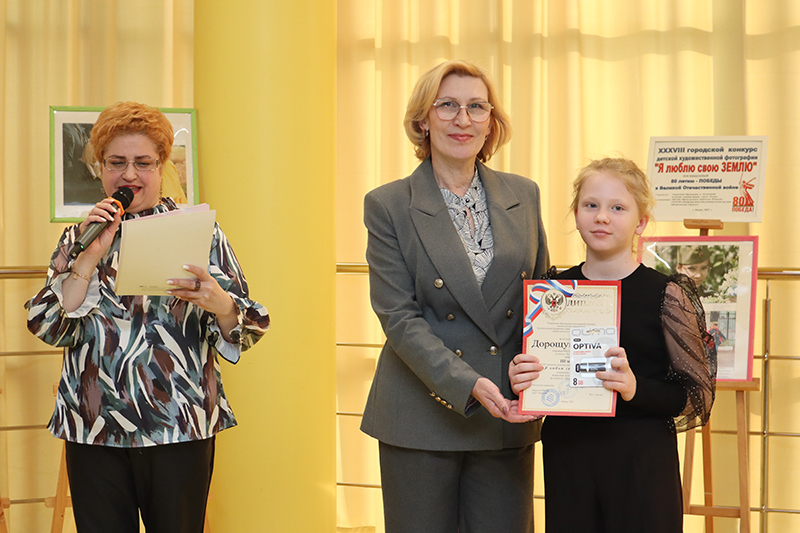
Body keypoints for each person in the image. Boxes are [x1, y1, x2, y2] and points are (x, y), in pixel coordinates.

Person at [25, 102, 270, 533]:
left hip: (179, 423)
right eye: (117, 162)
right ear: (101, 168)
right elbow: (48, 325)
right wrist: (87, 260)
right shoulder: (78, 236)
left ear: (162, 166)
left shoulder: (199, 231)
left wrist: (219, 302)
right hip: (94, 426)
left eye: (143, 163)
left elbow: (246, 326)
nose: (130, 175)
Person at [360, 59, 550, 533]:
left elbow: (542, 298)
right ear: (423, 120)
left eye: (476, 107)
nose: (462, 119)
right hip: (420, 415)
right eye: (447, 106)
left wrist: (543, 377)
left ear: (491, 122)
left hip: (506, 411)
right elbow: (398, 317)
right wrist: (467, 383)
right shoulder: (388, 204)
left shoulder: (525, 195)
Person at [509, 158, 716, 533]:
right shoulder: (550, 292)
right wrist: (520, 378)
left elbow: (695, 396)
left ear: (641, 222)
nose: (602, 217)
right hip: (568, 459)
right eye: (591, 205)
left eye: (617, 208)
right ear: (576, 214)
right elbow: (537, 379)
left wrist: (636, 388)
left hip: (642, 464)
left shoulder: (667, 295)